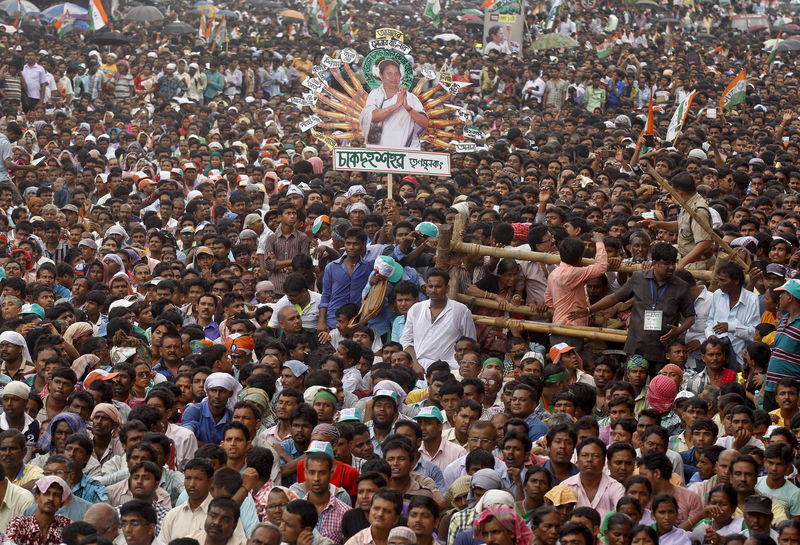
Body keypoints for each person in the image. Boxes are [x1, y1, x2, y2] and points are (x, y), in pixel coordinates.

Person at [572, 242, 695, 368]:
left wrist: (679, 330)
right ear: (654, 263)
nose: (671, 267)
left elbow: (690, 316)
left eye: (673, 263)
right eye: (666, 263)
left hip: (663, 349)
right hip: (637, 346)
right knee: (633, 383)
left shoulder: (682, 286)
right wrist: (588, 310)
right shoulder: (638, 279)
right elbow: (615, 297)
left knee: (659, 385)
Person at [401, 268, 476, 371]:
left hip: (448, 369)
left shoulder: (461, 310)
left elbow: (470, 344)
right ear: (426, 288)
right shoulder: (415, 309)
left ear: (447, 288)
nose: (433, 290)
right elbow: (406, 341)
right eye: (430, 286)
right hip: (419, 368)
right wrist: (415, 363)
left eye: (438, 287)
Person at [360, 59, 429, 150]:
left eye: (397, 73)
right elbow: (372, 117)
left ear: (400, 76)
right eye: (389, 74)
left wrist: (409, 109)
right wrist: (396, 105)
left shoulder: (410, 97)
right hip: (379, 150)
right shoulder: (375, 94)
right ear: (381, 75)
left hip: (408, 149)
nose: (394, 77)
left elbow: (425, 123)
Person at [6, 476, 72, 545]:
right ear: (36, 497)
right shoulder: (18, 525)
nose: (51, 498)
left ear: (61, 503)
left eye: (56, 495)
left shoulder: (66, 525)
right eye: (46, 494)